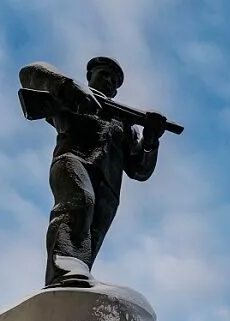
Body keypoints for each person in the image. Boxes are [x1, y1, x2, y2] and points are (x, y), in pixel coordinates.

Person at [18, 58, 166, 288]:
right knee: (80, 202)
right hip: (73, 161)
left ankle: (71, 280)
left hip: (108, 187)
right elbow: (29, 73)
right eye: (104, 74)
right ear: (90, 76)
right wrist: (65, 86)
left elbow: (139, 170)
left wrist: (150, 140)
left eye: (115, 81)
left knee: (92, 236)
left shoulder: (124, 123)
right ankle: (64, 265)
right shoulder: (72, 96)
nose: (109, 82)